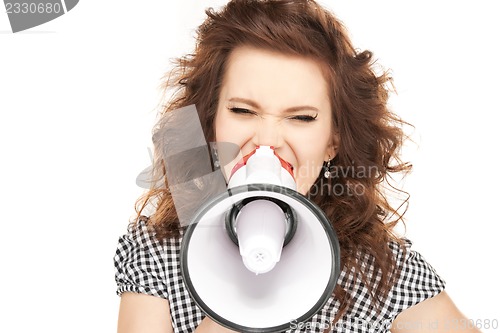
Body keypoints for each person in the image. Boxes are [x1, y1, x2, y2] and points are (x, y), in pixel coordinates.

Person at [114, 1, 480, 332]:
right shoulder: (155, 250)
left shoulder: (381, 270)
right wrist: (239, 294)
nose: (267, 141)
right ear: (211, 124)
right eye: (242, 111)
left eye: (302, 117)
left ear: (332, 141)